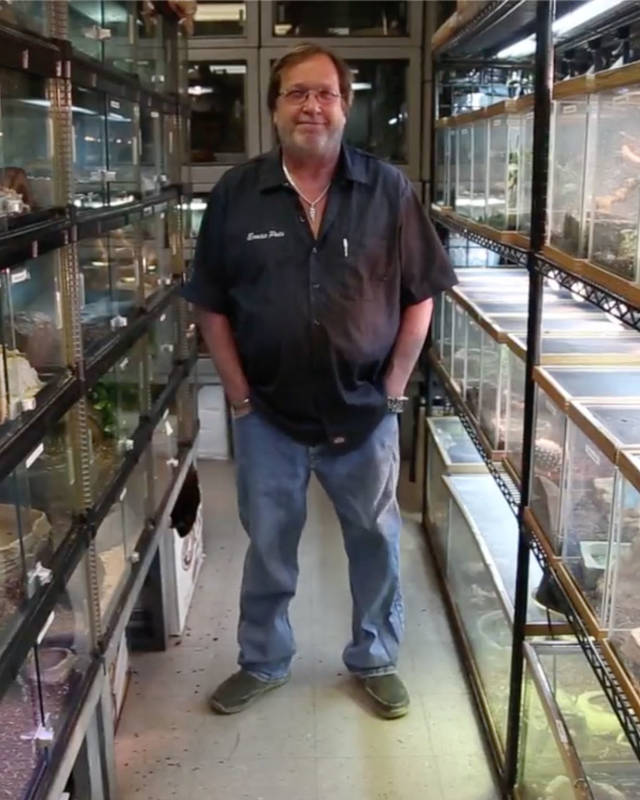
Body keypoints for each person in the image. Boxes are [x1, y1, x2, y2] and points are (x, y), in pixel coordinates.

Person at [181, 43, 456, 720]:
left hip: (363, 414)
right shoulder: (237, 195)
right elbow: (211, 304)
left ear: (346, 105)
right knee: (269, 544)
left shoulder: (387, 190)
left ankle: (375, 657)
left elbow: (421, 293)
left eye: (325, 93)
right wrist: (240, 397)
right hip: (269, 415)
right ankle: (265, 660)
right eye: (296, 93)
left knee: (376, 542)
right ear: (274, 107)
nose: (312, 105)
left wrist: (394, 386)